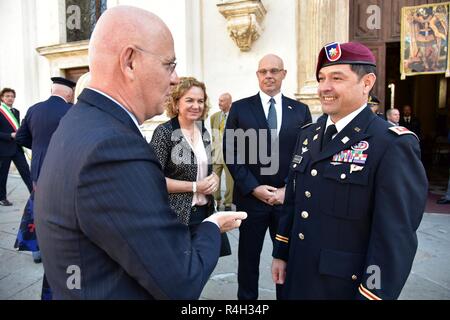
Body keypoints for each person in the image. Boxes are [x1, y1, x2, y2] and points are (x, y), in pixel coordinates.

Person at [34, 6, 246, 300]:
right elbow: (180, 281)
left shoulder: (80, 121)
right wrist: (211, 226)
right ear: (130, 62)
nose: (175, 78)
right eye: (169, 65)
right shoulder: (114, 147)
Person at [271, 41, 428, 300]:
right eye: (321, 78)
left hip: (342, 287)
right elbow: (294, 201)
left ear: (366, 83)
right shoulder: (308, 135)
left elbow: (394, 238)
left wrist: (372, 295)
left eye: (337, 78)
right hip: (297, 276)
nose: (324, 87)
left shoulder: (391, 144)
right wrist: (281, 252)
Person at [224, 54, 312, 300]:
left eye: (274, 71)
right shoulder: (240, 109)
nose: (268, 76)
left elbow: (305, 155)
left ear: (284, 74)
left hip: (286, 201)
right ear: (257, 75)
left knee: (286, 259)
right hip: (251, 200)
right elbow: (231, 152)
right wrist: (253, 188)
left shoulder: (301, 111)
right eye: (263, 71)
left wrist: (288, 190)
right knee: (248, 260)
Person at [13, 76, 75, 298]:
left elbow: (20, 138)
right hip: (63, 171)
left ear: (52, 90)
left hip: (38, 171)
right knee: (60, 212)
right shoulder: (72, 111)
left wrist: (39, 147)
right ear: (69, 94)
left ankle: (37, 249)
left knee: (38, 209)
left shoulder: (34, 109)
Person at [0, 88, 33, 206]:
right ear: (2, 98)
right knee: (2, 175)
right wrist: (10, 135)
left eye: (12, 96)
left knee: (26, 172)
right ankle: (2, 198)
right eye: (7, 96)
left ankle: (34, 195)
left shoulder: (16, 111)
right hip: (3, 149)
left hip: (17, 148)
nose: (10, 98)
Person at [210, 93, 234, 211]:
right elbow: (214, 135)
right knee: (214, 177)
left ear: (229, 103)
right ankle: (216, 200)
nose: (219, 103)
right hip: (217, 153)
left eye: (222, 101)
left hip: (230, 153)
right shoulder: (214, 117)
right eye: (219, 101)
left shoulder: (235, 116)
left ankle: (228, 203)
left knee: (230, 179)